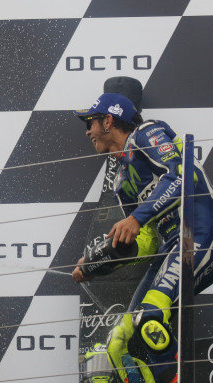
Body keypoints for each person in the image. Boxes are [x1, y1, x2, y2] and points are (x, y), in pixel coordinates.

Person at [71, 93, 213, 383]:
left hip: (197, 233)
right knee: (122, 336)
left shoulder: (147, 132)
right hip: (172, 247)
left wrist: (136, 218)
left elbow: (180, 177)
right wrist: (96, 263)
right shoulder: (122, 182)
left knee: (149, 317)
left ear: (108, 120)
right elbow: (145, 242)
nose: (88, 131)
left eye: (91, 122)